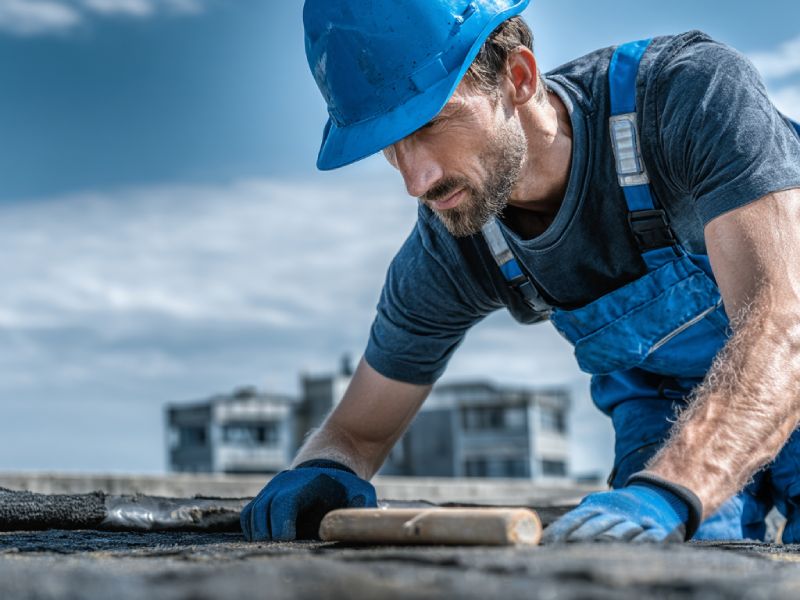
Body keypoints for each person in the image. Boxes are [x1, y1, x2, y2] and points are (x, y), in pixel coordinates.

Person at [241, 0, 800, 543]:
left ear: (518, 77)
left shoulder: (687, 96)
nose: (416, 181)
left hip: (785, 348)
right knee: (660, 561)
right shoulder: (454, 244)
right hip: (667, 406)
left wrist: (671, 491)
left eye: (431, 122)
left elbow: (781, 327)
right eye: (392, 145)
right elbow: (357, 432)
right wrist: (323, 468)